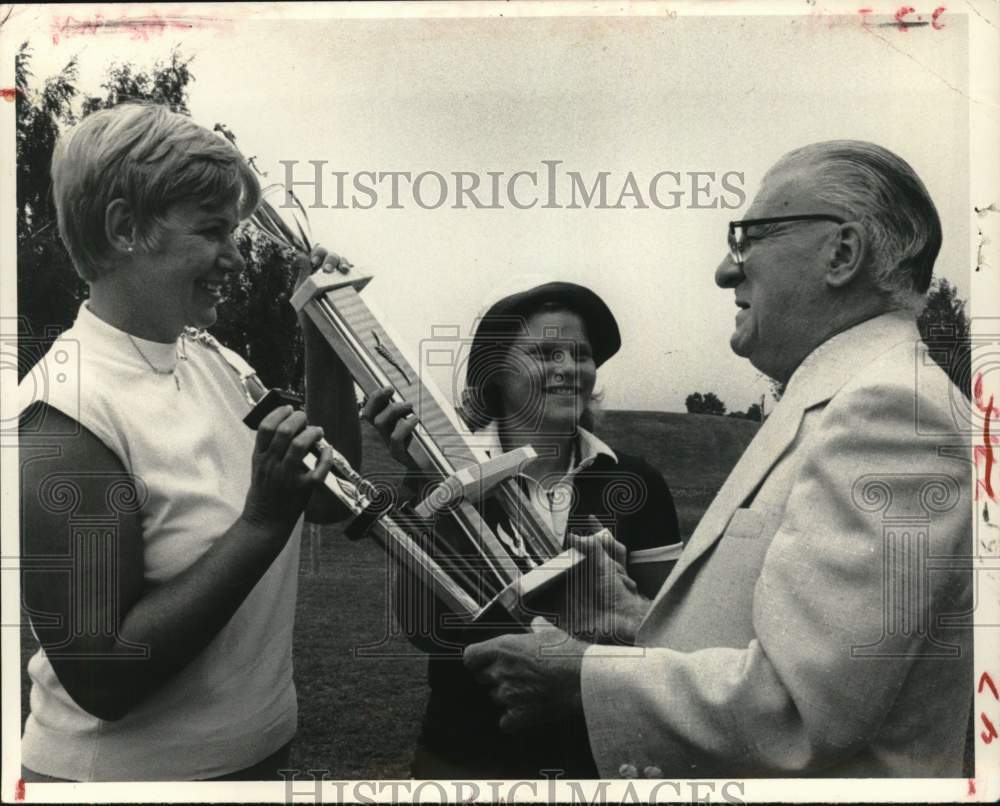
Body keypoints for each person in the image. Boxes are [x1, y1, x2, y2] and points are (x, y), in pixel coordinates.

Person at [464, 141, 973, 777]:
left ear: (841, 253)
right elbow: (786, 645)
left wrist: (581, 677)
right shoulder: (843, 401)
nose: (726, 271)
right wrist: (632, 616)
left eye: (749, 237)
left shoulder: (893, 412)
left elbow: (802, 711)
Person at [18, 102, 360, 781]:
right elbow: (103, 675)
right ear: (124, 229)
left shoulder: (213, 360)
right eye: (212, 231)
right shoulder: (65, 411)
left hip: (257, 758)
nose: (236, 258)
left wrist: (324, 340)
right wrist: (259, 521)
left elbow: (327, 500)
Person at [363, 278, 683, 778]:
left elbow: (671, 637)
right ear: (496, 373)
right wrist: (434, 487)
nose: (568, 369)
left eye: (580, 354)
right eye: (545, 352)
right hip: (466, 758)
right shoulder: (441, 474)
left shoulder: (634, 479)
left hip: (596, 760)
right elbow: (425, 631)